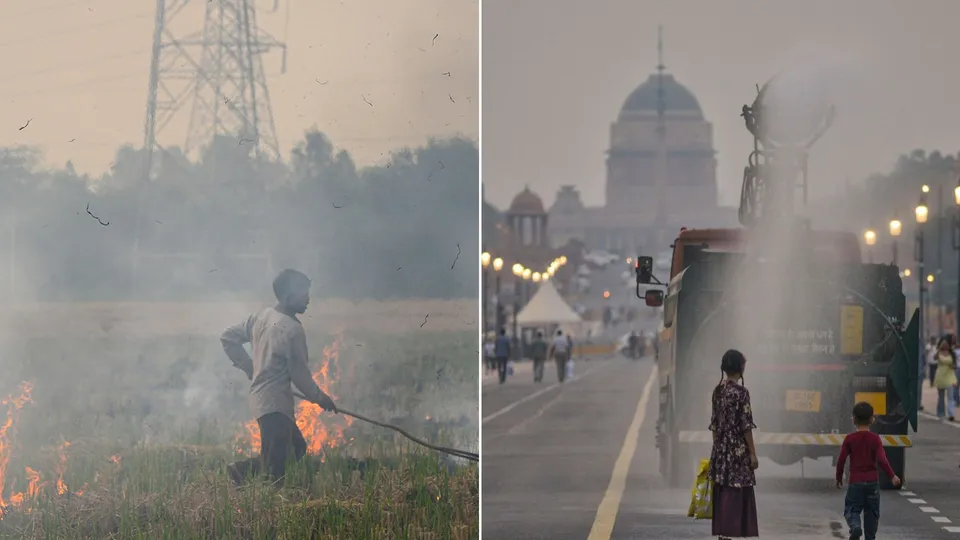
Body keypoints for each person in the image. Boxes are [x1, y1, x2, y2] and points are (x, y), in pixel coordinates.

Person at [221, 269, 338, 486]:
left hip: (263, 401)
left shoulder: (261, 316)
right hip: (274, 406)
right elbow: (299, 375)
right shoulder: (292, 330)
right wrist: (320, 398)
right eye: (302, 293)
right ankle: (251, 489)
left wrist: (250, 368)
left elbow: (228, 338)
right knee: (275, 472)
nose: (308, 298)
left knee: (297, 448)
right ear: (286, 297)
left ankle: (242, 471)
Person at [708, 349, 759, 539]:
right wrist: (752, 453)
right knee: (736, 490)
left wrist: (718, 448)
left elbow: (714, 423)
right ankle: (731, 533)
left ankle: (722, 532)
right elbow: (746, 426)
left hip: (721, 448)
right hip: (737, 449)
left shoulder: (718, 391)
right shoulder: (741, 393)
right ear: (741, 367)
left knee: (723, 488)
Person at [835, 402, 901, 540]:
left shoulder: (850, 439)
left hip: (855, 482)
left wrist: (839, 477)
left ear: (853, 419)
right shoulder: (875, 439)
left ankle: (855, 526)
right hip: (872, 482)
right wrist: (892, 476)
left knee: (852, 509)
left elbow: (841, 460)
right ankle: (869, 537)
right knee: (872, 514)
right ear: (872, 419)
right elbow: (882, 460)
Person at [933, 337, 957, 421]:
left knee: (950, 397)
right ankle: (941, 413)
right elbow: (934, 358)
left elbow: (955, 365)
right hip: (940, 377)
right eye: (943, 343)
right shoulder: (939, 353)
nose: (945, 345)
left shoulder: (952, 354)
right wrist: (939, 349)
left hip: (950, 377)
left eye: (946, 343)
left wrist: (953, 366)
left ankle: (951, 414)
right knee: (941, 397)